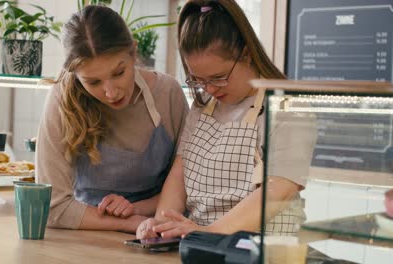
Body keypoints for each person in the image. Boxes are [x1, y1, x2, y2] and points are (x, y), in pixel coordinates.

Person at [136, 0, 317, 239]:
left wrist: (209, 233)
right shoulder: (202, 109)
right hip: (202, 245)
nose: (209, 89)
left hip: (264, 249)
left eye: (219, 77)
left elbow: (277, 192)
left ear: (247, 54)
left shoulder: (288, 108)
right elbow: (179, 176)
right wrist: (161, 225)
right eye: (199, 80)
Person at [36, 5, 189, 232]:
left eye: (119, 73)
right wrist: (131, 223)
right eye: (93, 82)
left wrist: (136, 210)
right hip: (85, 235)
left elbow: (189, 185)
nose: (111, 92)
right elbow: (51, 205)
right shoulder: (61, 99)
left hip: (157, 230)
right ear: (75, 75)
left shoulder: (168, 94)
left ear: (133, 53)